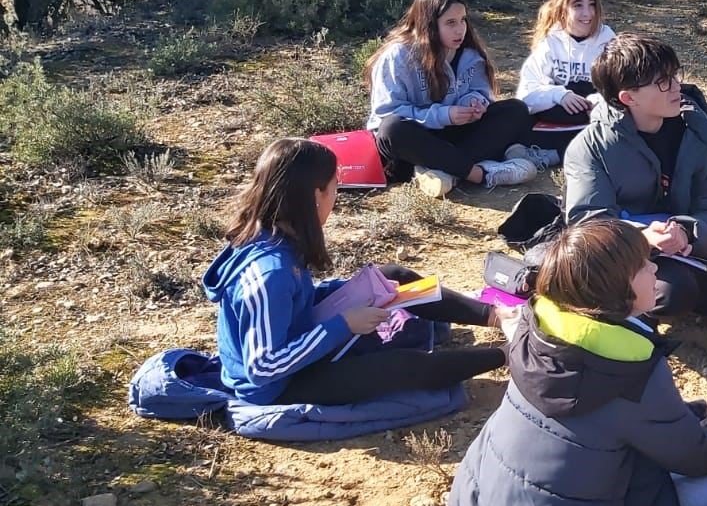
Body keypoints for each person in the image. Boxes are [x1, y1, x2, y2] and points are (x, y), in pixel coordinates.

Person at [448, 218, 707, 506]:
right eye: (643, 266)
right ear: (617, 289)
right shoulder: (627, 373)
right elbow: (696, 457)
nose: (655, 269)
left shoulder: (540, 323)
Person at [203, 138, 506, 407]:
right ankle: (509, 353)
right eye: (335, 187)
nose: (336, 197)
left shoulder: (275, 236)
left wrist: (357, 290)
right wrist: (343, 324)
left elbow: (293, 302)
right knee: (398, 366)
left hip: (299, 337)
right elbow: (264, 367)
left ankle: (495, 316)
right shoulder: (271, 273)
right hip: (278, 386)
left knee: (390, 276)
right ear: (314, 196)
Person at [564, 33, 707, 334]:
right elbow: (588, 222)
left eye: (674, 75)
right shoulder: (590, 148)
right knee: (673, 292)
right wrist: (644, 237)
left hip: (692, 249)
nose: (676, 87)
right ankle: (640, 314)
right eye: (662, 82)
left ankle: (693, 296)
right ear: (628, 98)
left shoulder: (695, 131)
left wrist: (687, 233)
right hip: (630, 257)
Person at [365, 0, 542, 197]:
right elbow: (386, 113)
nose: (460, 29)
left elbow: (481, 92)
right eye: (450, 23)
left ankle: (445, 173)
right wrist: (444, 115)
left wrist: (474, 104)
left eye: (463, 20)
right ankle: (481, 174)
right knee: (392, 129)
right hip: (415, 143)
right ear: (428, 25)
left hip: (452, 138)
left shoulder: (469, 54)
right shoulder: (398, 57)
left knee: (516, 110)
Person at [516, 0, 616, 148]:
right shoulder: (550, 41)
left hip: (594, 114)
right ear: (562, 8)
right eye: (577, 5)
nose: (587, 13)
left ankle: (555, 153)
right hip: (559, 115)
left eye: (592, 4)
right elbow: (526, 95)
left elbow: (621, 85)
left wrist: (598, 100)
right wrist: (560, 95)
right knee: (516, 115)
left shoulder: (607, 39)